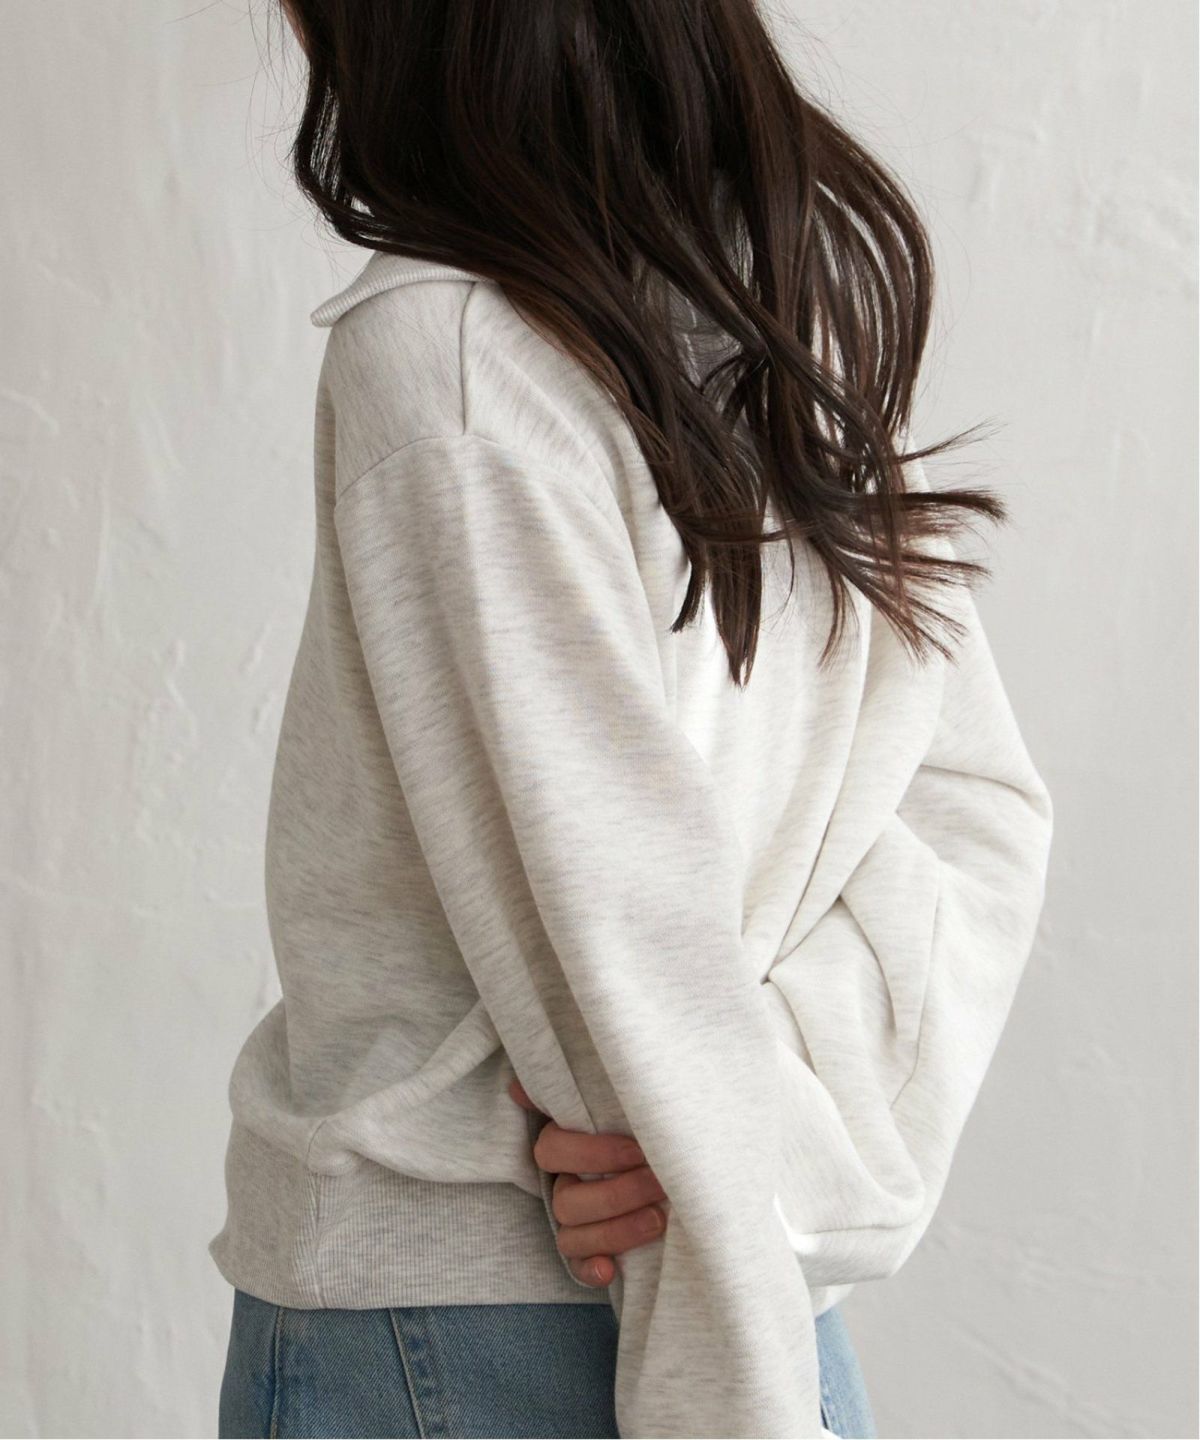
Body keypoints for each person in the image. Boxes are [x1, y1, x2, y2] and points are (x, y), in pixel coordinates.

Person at [211, 2, 1054, 1437]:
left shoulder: (450, 357)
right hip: (744, 1301)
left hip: (474, 1325)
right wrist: (768, 1149)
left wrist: (717, 1158)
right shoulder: (775, 309)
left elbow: (616, 921)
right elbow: (966, 812)